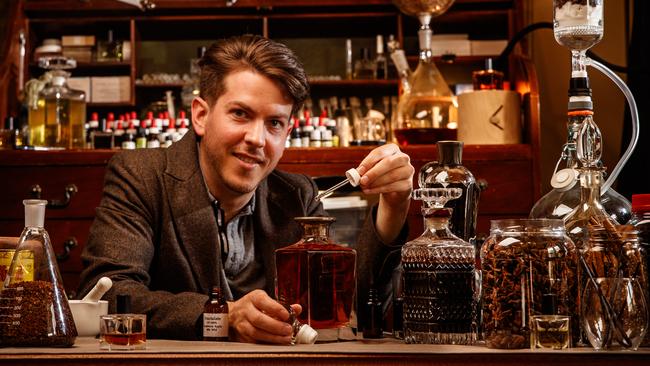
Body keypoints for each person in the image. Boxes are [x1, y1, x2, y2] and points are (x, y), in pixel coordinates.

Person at [78, 35, 414, 344]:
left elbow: (353, 310)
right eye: (240, 114)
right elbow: (108, 293)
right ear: (200, 115)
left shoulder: (298, 195)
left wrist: (394, 205)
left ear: (287, 133)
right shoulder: (140, 177)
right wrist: (224, 316)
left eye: (274, 123)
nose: (257, 139)